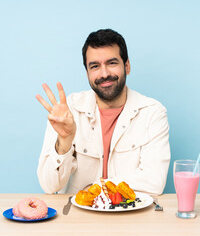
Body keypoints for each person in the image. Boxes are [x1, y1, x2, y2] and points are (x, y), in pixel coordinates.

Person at [36, 29, 170, 195]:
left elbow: (154, 182)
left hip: (129, 216)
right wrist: (64, 141)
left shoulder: (152, 112)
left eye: (112, 63)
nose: (104, 74)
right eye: (95, 66)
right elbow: (50, 186)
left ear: (127, 66)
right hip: (77, 217)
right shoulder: (67, 110)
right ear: (87, 73)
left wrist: (97, 188)